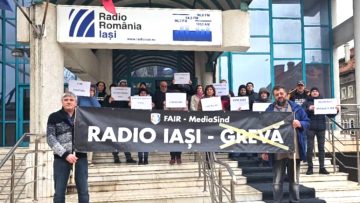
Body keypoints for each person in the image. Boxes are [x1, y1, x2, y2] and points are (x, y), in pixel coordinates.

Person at [266, 85, 309, 203]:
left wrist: (300, 123)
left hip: (294, 151)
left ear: (286, 94)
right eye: (276, 94)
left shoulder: (297, 108)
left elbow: (307, 122)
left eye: (281, 93)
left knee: (294, 181)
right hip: (277, 150)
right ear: (274, 96)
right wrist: (263, 149)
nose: (279, 96)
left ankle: (294, 201)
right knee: (276, 182)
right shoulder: (269, 110)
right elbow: (263, 129)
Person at [46, 92, 89, 203]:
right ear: (62, 102)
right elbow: (50, 138)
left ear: (76, 102)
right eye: (66, 100)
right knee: (59, 191)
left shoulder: (84, 116)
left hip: (81, 156)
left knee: (83, 190)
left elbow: (93, 133)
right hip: (61, 158)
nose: (68, 102)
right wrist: (65, 154)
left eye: (71, 99)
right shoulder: (54, 116)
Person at [302, 87, 338, 175]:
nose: (314, 92)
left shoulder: (323, 102)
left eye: (316, 91)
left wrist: (336, 111)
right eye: (313, 91)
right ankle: (310, 168)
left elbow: (330, 115)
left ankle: (322, 168)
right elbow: (302, 113)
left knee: (321, 148)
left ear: (318, 93)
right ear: (310, 93)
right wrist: (309, 109)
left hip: (321, 128)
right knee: (310, 148)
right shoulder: (306, 102)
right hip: (310, 128)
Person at [104, 82, 137, 164]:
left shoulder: (128, 97)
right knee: (115, 140)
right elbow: (104, 108)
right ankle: (116, 157)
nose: (123, 86)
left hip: (125, 121)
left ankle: (128, 157)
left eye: (125, 85)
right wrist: (109, 101)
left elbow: (134, 109)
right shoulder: (108, 97)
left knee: (126, 139)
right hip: (113, 121)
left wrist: (131, 103)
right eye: (121, 85)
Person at [77, 85, 101, 166]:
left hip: (90, 123)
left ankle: (89, 160)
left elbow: (98, 108)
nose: (91, 91)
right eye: (89, 90)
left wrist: (91, 97)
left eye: (93, 90)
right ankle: (79, 159)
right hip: (81, 122)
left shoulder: (94, 99)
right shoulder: (80, 98)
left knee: (90, 141)